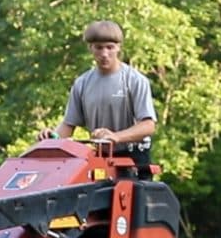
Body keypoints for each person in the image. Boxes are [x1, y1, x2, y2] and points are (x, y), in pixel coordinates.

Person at [37, 20, 157, 174]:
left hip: (134, 160)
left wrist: (116, 137)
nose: (104, 54)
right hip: (100, 159)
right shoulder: (82, 83)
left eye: (110, 47)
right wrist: (51, 138)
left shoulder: (135, 80)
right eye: (99, 48)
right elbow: (68, 125)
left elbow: (148, 125)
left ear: (119, 47)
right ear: (90, 48)